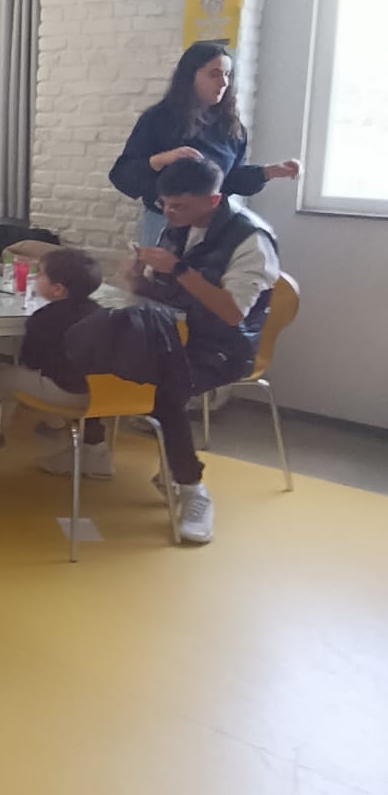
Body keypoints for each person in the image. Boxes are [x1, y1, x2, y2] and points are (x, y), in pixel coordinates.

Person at [133, 155, 280, 545]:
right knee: (104, 351)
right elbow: (170, 294)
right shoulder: (178, 225)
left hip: (225, 346)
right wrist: (138, 281)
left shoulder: (251, 240)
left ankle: (192, 488)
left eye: (179, 206)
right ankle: (94, 448)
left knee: (167, 387)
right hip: (177, 332)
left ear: (213, 200)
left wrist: (179, 269)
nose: (169, 213)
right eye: (165, 204)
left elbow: (232, 313)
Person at [110, 41, 300, 247]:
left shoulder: (231, 126)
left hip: (212, 224)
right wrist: (162, 159)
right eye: (214, 74)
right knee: (160, 268)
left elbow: (229, 180)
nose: (223, 82)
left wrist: (269, 172)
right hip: (165, 220)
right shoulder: (157, 119)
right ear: (190, 76)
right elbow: (122, 175)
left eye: (227, 74)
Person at [0, 248, 109, 473]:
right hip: (106, 394)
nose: (35, 277)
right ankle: (57, 426)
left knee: (6, 378)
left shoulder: (44, 318)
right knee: (64, 371)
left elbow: (31, 361)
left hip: (69, 393)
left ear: (57, 289)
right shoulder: (100, 312)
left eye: (40, 274)